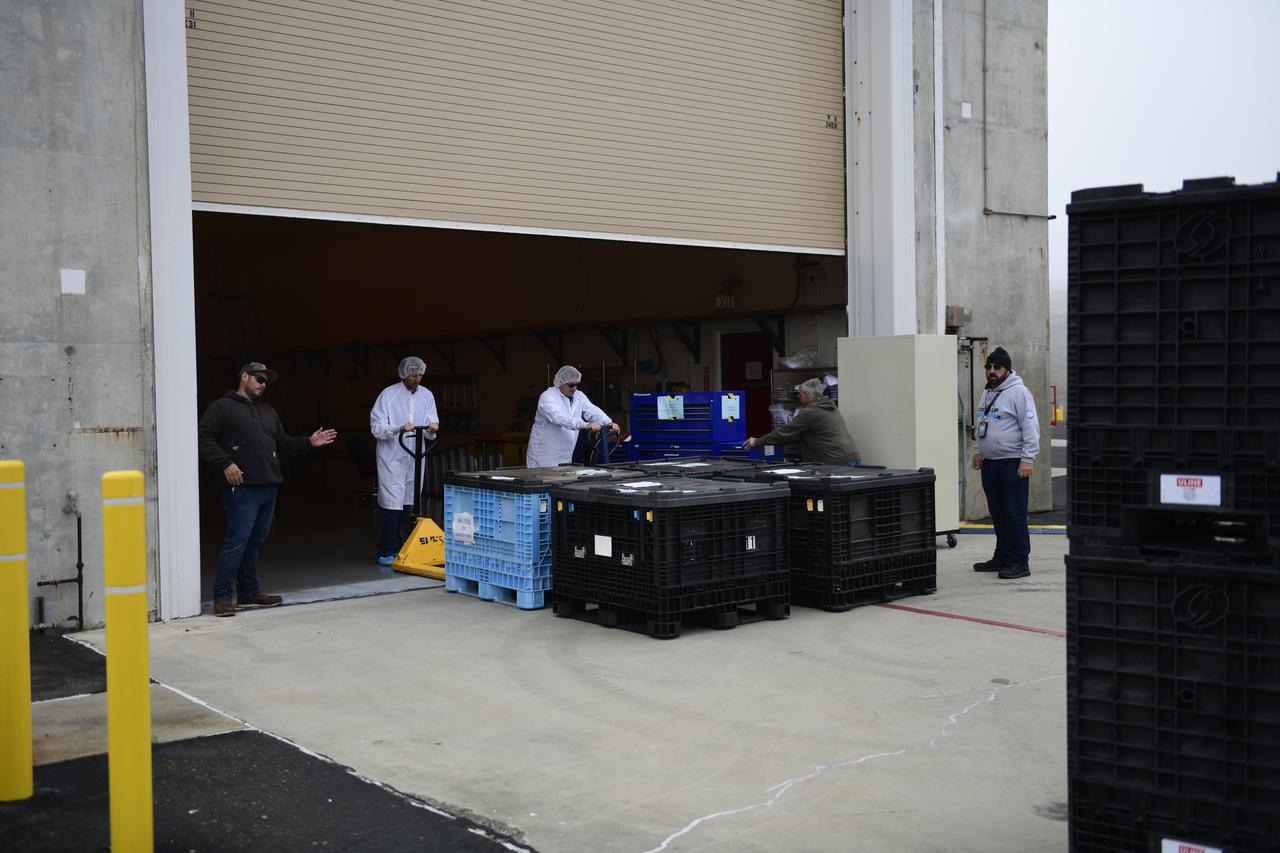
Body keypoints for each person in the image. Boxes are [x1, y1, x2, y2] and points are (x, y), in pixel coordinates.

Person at [198, 361, 338, 617]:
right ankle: (222, 596)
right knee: (237, 542)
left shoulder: (269, 412)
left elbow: (283, 444)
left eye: (266, 382)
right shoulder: (222, 408)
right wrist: (226, 462)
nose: (264, 385)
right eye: (259, 379)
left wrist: (309, 442)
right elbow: (203, 437)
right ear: (244, 377)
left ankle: (249, 592)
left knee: (254, 542)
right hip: (242, 489)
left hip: (268, 487)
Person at [970, 347, 1040, 580]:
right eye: (988, 367)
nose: (992, 371)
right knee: (998, 513)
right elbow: (983, 422)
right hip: (991, 464)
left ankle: (1019, 561)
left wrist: (1027, 458)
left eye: (997, 368)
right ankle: (1002, 556)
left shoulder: (1019, 393)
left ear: (1007, 370)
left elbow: (1030, 427)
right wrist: (979, 451)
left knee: (1014, 513)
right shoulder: (988, 393)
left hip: (1012, 463)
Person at [370, 356, 440, 565]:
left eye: (420, 375)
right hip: (392, 458)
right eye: (413, 375)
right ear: (403, 374)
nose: (417, 379)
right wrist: (398, 427)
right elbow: (377, 426)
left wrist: (432, 429)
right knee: (392, 505)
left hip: (415, 457)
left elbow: (432, 421)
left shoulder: (427, 396)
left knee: (409, 502)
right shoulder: (388, 395)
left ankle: (401, 546)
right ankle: (385, 550)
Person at [744, 378, 860, 465]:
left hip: (835, 462)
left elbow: (785, 431)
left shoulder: (810, 412)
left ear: (807, 394)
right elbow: (800, 434)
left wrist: (758, 441)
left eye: (800, 395)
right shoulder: (830, 406)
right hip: (851, 458)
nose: (799, 398)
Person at [526, 366, 619, 468]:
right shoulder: (547, 397)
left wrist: (608, 422)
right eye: (571, 385)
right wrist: (586, 425)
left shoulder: (579, 396)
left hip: (565, 456)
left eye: (576, 385)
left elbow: (593, 411)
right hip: (544, 457)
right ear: (560, 383)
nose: (574, 388)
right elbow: (560, 418)